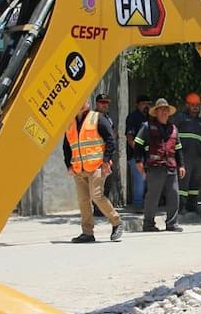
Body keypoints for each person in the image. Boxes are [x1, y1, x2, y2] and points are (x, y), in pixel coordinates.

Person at [62, 98, 122, 243]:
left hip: (97, 165)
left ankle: (117, 222)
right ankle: (87, 233)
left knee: (96, 196)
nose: (83, 102)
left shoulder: (97, 118)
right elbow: (66, 146)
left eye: (84, 100)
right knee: (83, 200)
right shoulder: (70, 123)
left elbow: (110, 140)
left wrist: (106, 160)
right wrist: (68, 165)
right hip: (78, 168)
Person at [133, 97, 186, 232]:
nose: (164, 112)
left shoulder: (173, 128)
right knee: (153, 197)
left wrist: (182, 165)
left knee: (174, 195)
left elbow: (178, 148)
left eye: (166, 110)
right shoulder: (147, 126)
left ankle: (172, 223)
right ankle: (148, 224)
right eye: (161, 110)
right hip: (155, 167)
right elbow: (138, 143)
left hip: (171, 167)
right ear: (156, 112)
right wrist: (138, 161)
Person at [174, 92, 201, 214]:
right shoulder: (180, 118)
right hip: (185, 154)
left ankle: (192, 204)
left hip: (197, 156)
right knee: (183, 182)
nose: (195, 107)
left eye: (197, 105)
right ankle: (181, 206)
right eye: (192, 104)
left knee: (195, 181)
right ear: (187, 105)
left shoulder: (200, 121)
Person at [123, 95, 151, 210]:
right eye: (144, 103)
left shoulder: (149, 118)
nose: (146, 106)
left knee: (145, 180)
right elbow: (129, 136)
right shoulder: (133, 117)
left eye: (148, 104)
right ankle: (138, 205)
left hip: (147, 155)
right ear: (137, 105)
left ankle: (144, 204)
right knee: (139, 179)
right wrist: (137, 152)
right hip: (136, 155)